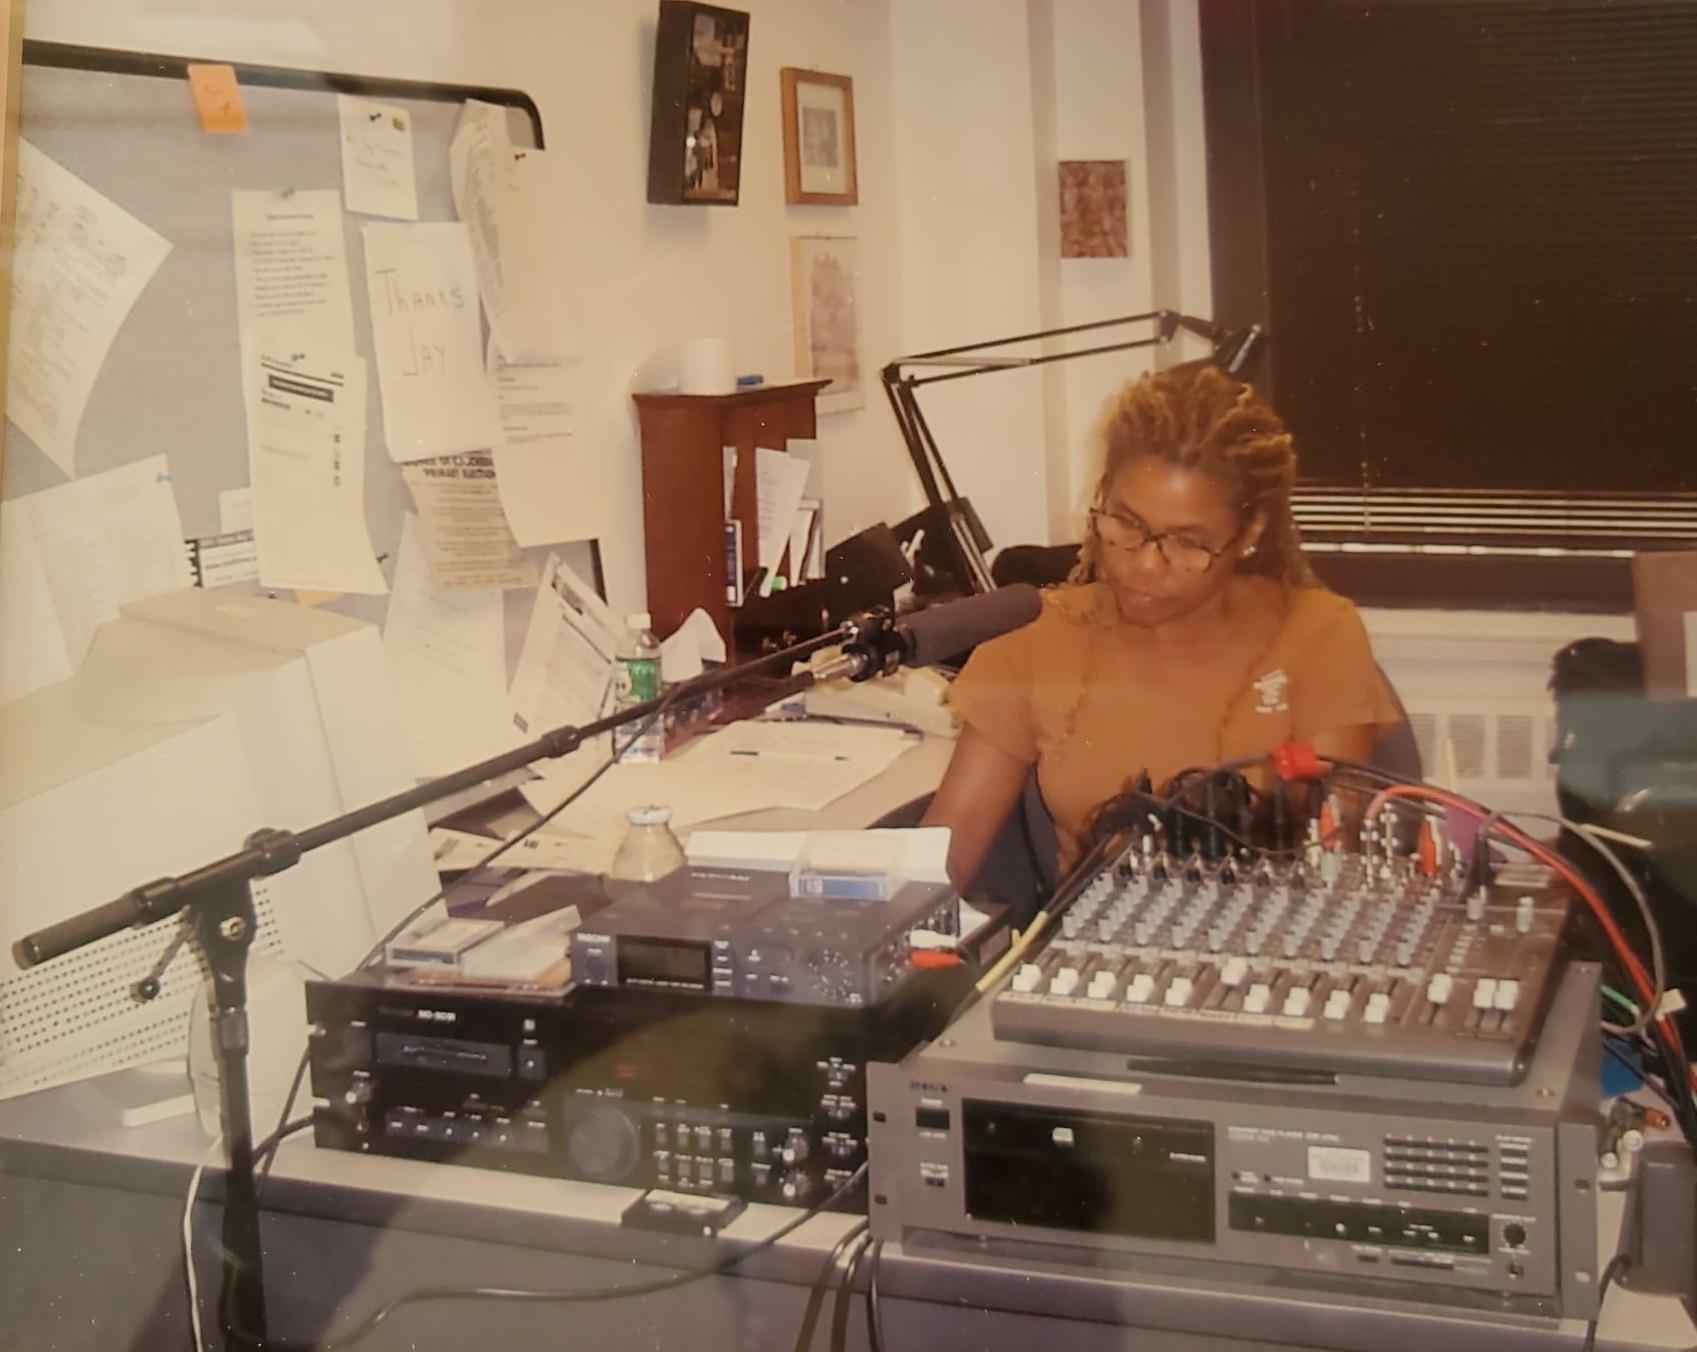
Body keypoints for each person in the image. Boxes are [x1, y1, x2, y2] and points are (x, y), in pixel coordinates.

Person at [923, 363, 1401, 891]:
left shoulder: (1317, 633)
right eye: (1127, 523)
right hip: (1095, 958)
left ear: (1250, 534)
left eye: (1188, 542)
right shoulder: (1034, 635)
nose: (1146, 565)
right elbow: (942, 861)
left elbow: (1335, 854)